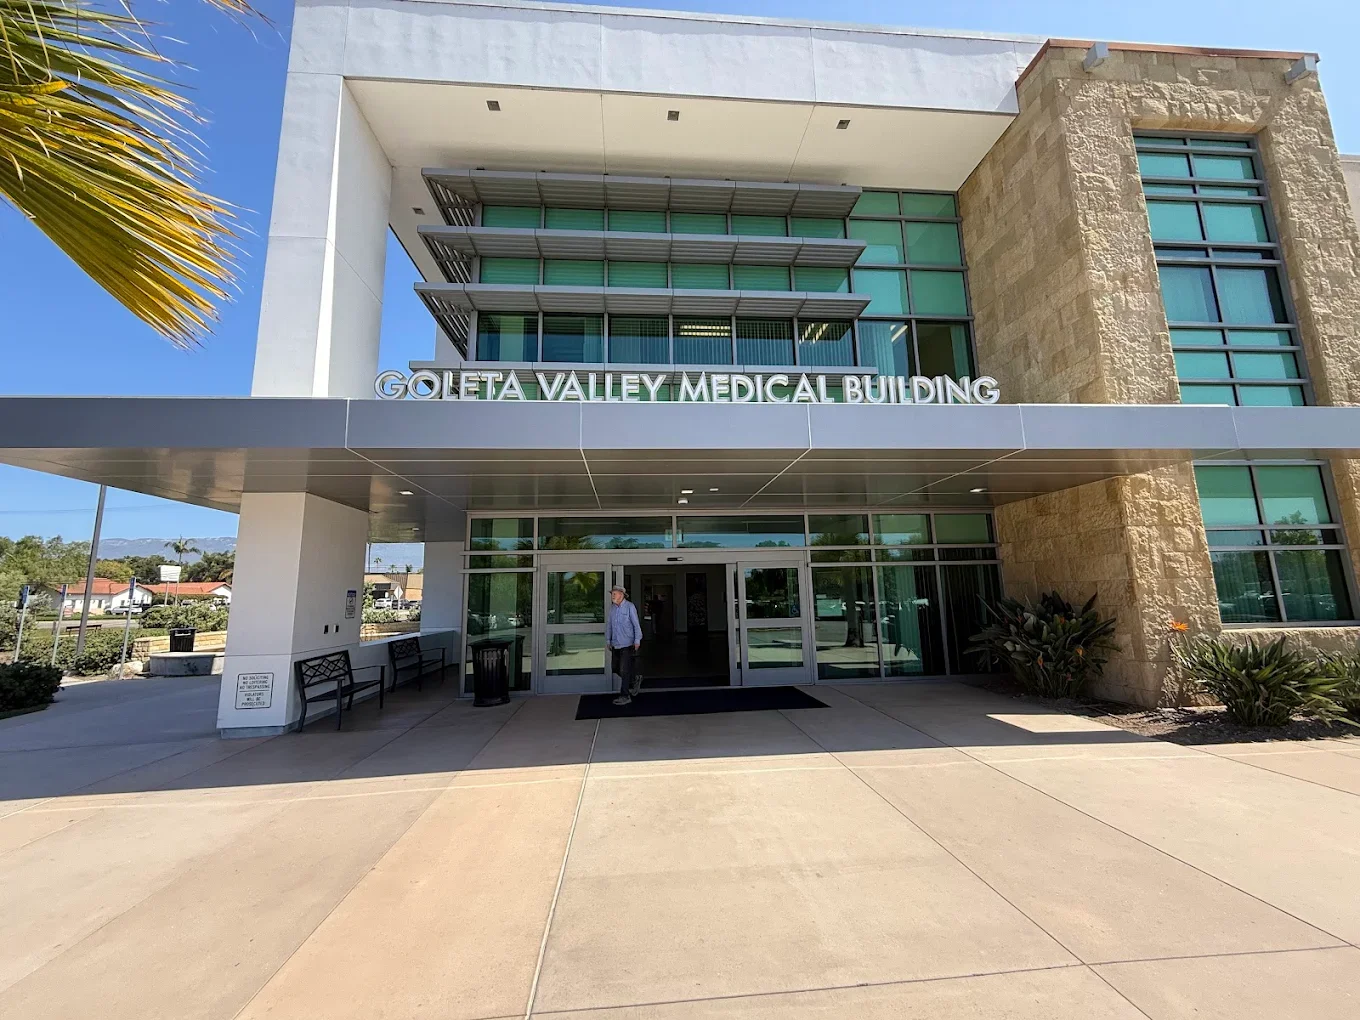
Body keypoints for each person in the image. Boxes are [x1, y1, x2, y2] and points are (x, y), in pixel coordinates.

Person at [605, 584, 642, 705]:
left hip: (627, 643)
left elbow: (636, 625)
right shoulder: (612, 608)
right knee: (615, 668)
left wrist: (637, 640)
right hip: (615, 643)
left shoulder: (630, 607)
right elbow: (609, 625)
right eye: (612, 594)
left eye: (614, 594)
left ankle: (625, 696)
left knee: (624, 669)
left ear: (621, 595)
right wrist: (608, 640)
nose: (612, 596)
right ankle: (634, 679)